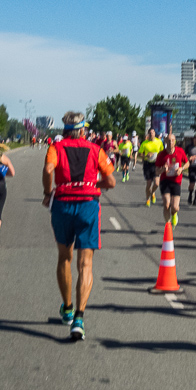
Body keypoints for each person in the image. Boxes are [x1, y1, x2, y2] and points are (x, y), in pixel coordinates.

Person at [42, 111, 117, 341]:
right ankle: (79, 319)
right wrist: (96, 183)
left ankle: (67, 307)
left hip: (63, 204)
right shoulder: (96, 150)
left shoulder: (56, 147)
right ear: (84, 130)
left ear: (65, 129)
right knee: (86, 263)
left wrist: (48, 193)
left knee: (64, 257)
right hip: (87, 205)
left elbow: (48, 170)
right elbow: (111, 182)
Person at [155, 133, 189, 227]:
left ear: (175, 141)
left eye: (172, 140)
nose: (170, 142)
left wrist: (181, 169)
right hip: (165, 181)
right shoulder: (161, 155)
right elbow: (157, 171)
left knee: (175, 207)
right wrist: (162, 169)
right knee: (166, 204)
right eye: (169, 140)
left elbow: (187, 163)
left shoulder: (180, 151)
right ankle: (168, 224)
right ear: (165, 141)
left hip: (176, 181)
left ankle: (174, 214)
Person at [138, 129, 164, 207]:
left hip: (156, 164)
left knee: (156, 183)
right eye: (150, 133)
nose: (151, 134)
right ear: (148, 134)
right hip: (147, 164)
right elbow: (140, 154)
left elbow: (162, 152)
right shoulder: (144, 143)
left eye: (153, 133)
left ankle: (152, 192)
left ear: (155, 134)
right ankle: (147, 198)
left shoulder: (159, 142)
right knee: (149, 183)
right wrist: (146, 155)